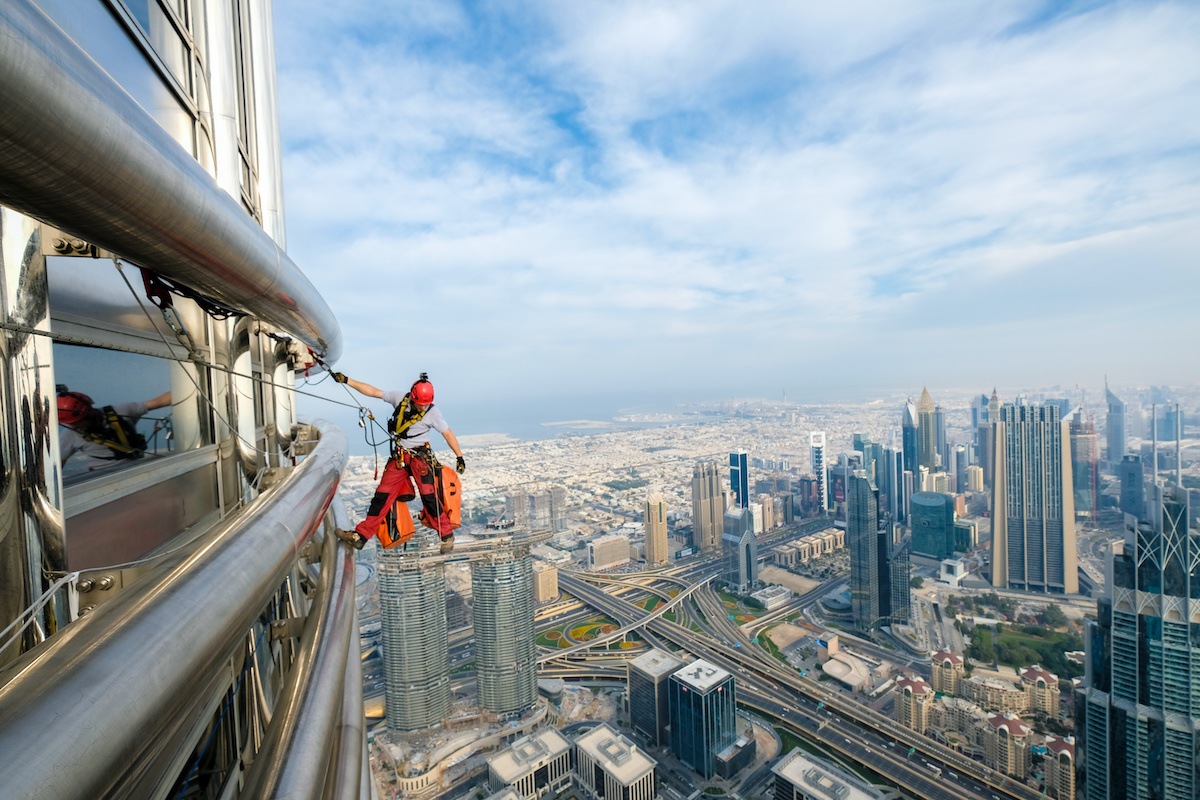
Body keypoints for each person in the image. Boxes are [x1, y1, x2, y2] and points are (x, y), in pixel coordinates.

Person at [332, 372, 465, 553]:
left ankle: (447, 536)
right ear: (413, 397)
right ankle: (361, 536)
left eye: (426, 404)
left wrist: (459, 456)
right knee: (382, 496)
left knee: (429, 497)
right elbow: (373, 392)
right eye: (420, 404)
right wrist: (347, 381)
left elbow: (447, 433)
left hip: (420, 457)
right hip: (401, 457)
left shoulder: (433, 412)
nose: (423, 407)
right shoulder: (400, 398)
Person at [57, 387, 172, 472]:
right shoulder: (70, 433)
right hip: (101, 477)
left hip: (135, 469)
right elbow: (57, 466)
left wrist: (186, 392)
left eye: (76, 423)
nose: (74, 426)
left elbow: (159, 402)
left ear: (89, 413)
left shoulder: (122, 411)